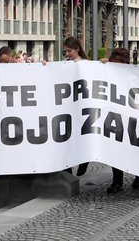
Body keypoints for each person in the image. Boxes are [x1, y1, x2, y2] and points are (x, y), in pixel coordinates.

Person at [104, 47, 139, 193]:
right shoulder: (109, 71)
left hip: (131, 116)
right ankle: (117, 181)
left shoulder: (134, 74)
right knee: (116, 149)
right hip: (115, 116)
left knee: (133, 148)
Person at [62, 36, 89, 176]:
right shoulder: (64, 64)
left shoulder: (86, 64)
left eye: (69, 51)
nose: (67, 54)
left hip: (82, 106)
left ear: (77, 49)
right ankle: (68, 170)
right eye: (65, 52)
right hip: (68, 107)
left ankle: (84, 159)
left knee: (81, 137)